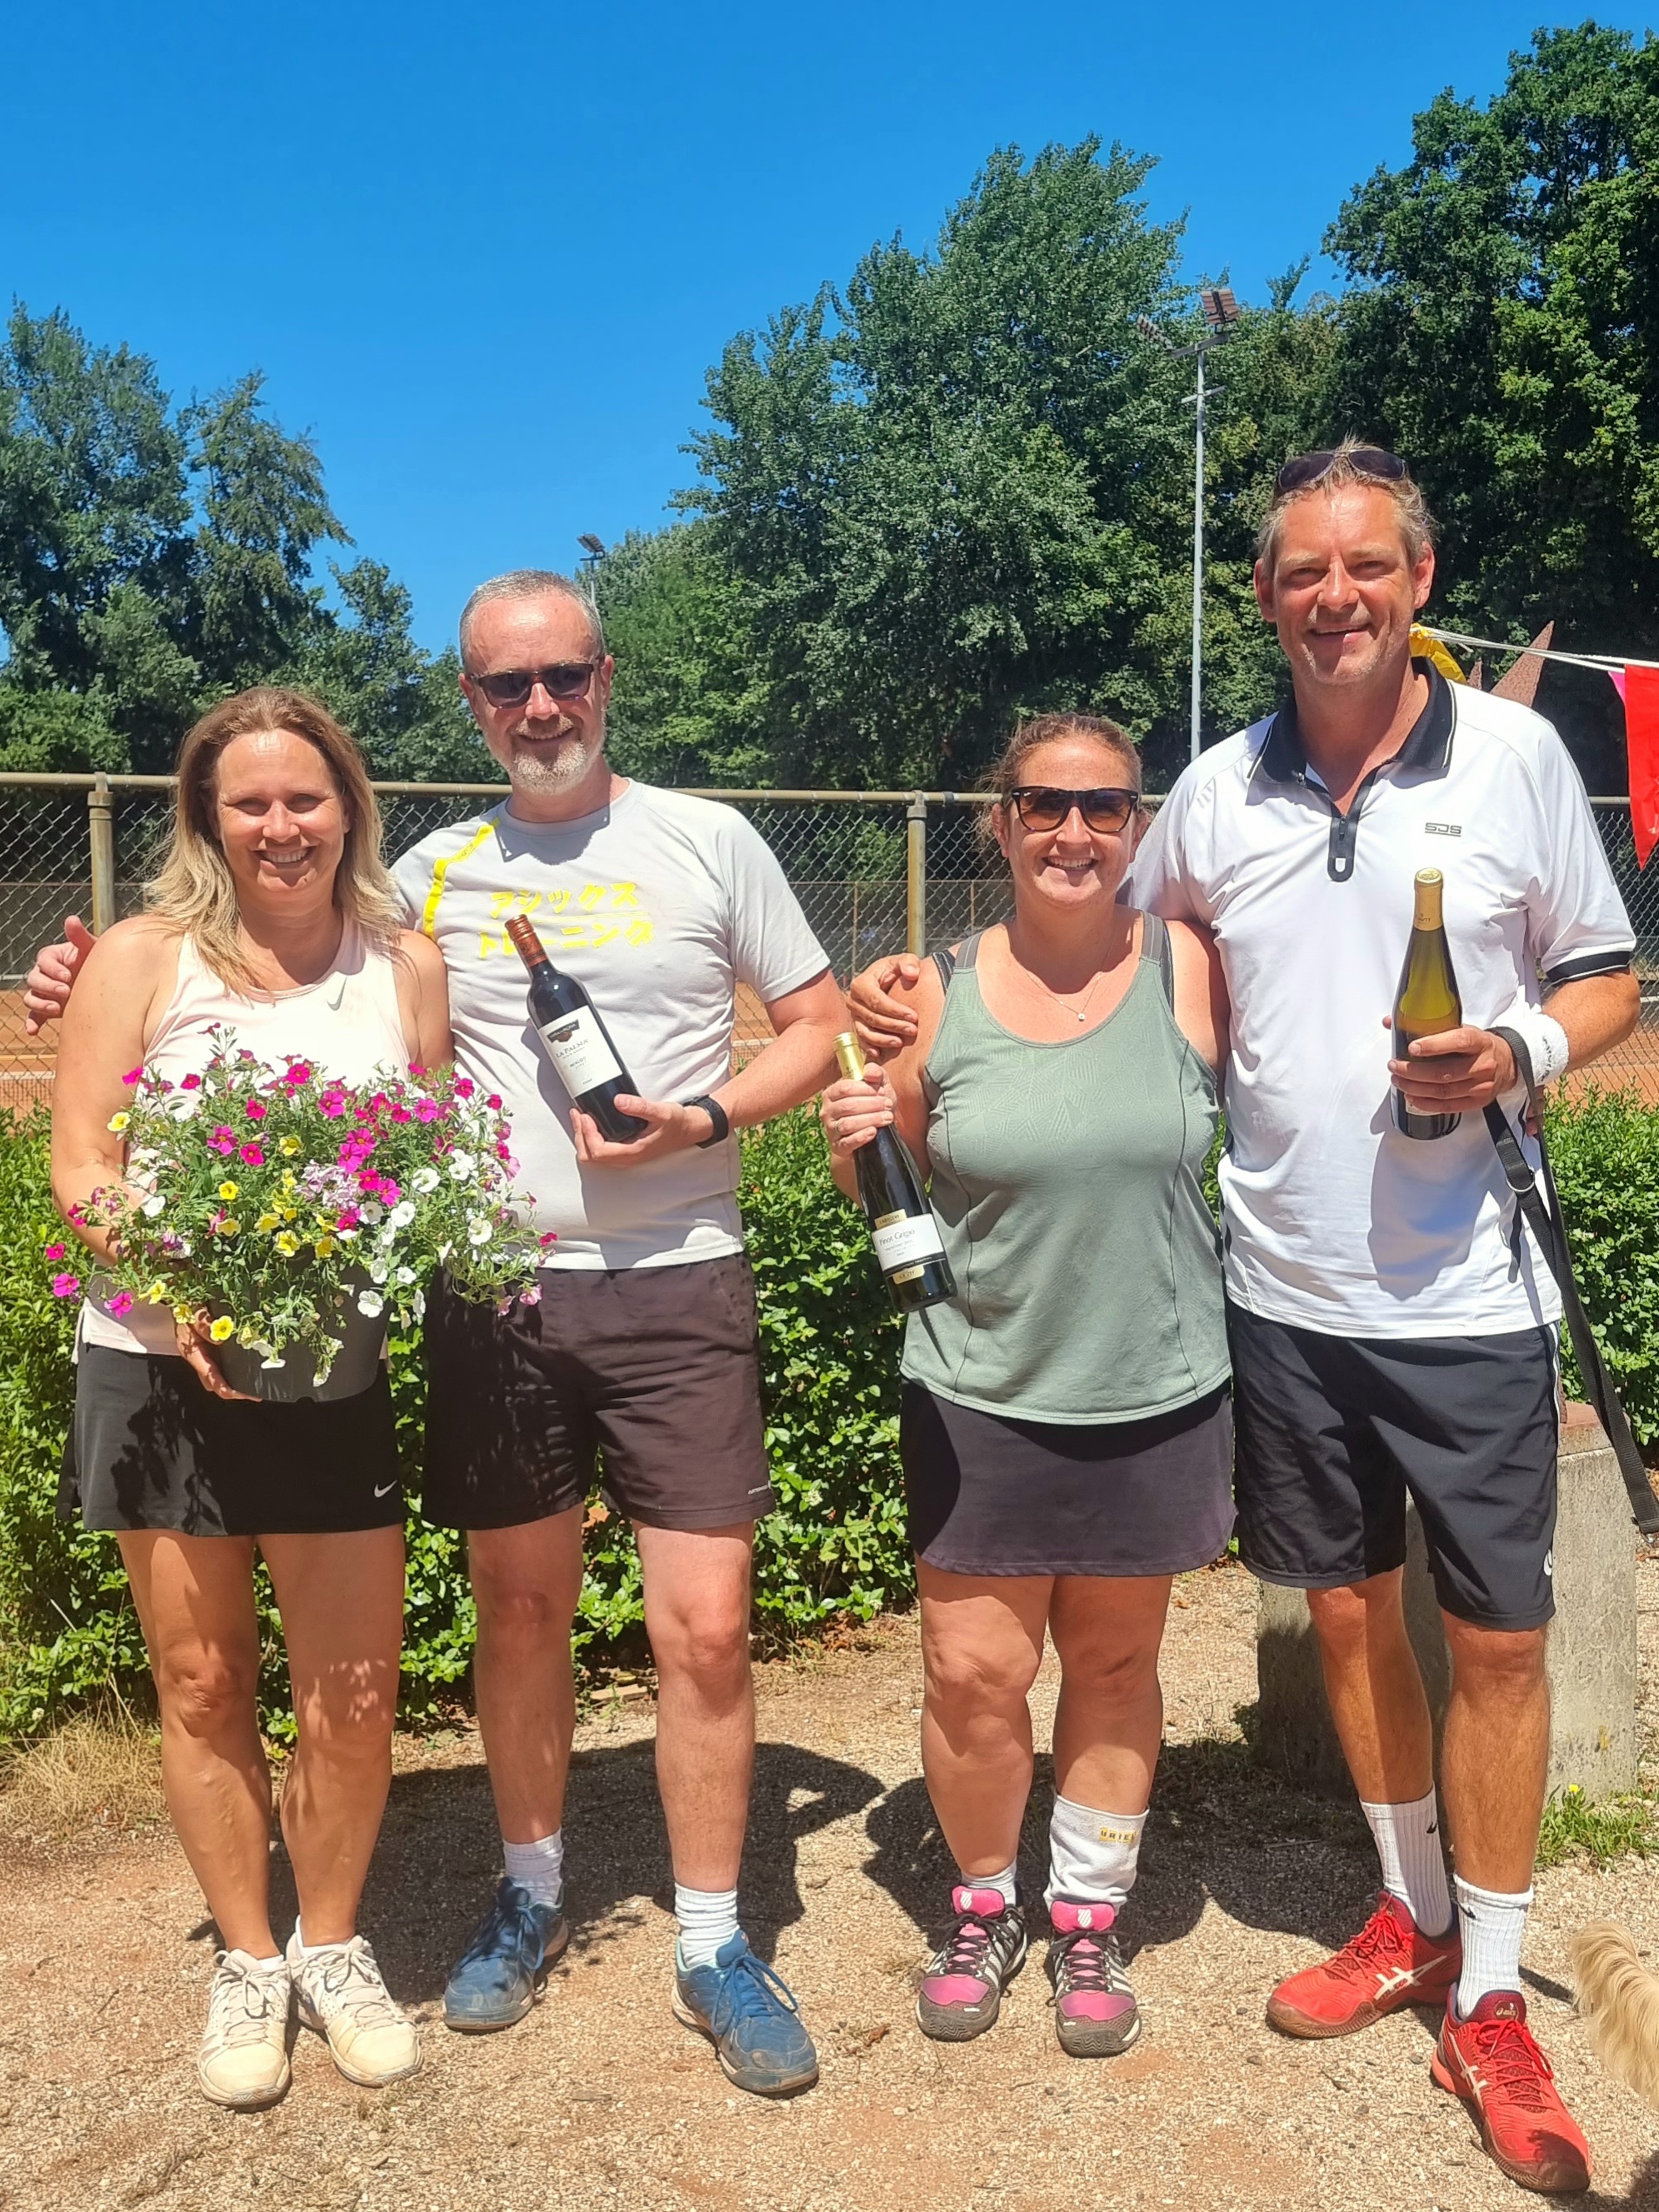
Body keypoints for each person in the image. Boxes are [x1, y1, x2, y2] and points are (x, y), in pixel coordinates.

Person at [852, 446, 1637, 2193]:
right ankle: (1415, 1914)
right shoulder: (1210, 792)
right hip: (1278, 1297)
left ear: (1420, 579)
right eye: (1302, 570)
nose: (1335, 595)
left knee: (1499, 1642)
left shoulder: (1517, 760)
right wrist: (914, 983)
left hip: (1471, 1291)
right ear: (1268, 593)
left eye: (1367, 565)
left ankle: (1492, 1996)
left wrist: (1524, 1049)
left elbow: (1605, 973)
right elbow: (1079, 954)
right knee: (1348, 1625)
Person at [29, 572, 845, 2098]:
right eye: (505, 684)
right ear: (468, 703)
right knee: (515, 1618)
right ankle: (525, 1898)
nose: (539, 706)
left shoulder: (706, 838)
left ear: (606, 676)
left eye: (563, 676)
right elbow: (235, 998)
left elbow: (818, 1021)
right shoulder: (426, 883)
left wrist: (709, 1112)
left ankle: (715, 1939)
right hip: (494, 1294)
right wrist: (82, 980)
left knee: (706, 1631)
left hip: (679, 1274)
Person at [51, 687, 451, 2110]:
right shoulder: (141, 958)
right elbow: (84, 1164)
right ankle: (247, 1957)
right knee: (203, 1678)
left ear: (349, 807)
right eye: (250, 803)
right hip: (155, 1360)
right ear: (207, 820)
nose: (281, 827)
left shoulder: (403, 964)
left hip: (332, 1368)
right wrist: (182, 1295)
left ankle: (331, 1944)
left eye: (305, 798)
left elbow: (428, 1149)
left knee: (353, 1686)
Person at [822, 712, 1231, 2057]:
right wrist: (848, 1136)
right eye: (1044, 806)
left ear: (1136, 826)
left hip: (1154, 1386)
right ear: (999, 824)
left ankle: (1089, 1916)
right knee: (973, 1673)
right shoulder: (929, 992)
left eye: (1103, 807)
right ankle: (986, 1902)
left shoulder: (1189, 965)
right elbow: (885, 1185)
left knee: (1114, 1664)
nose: (1072, 832)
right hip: (979, 1387)